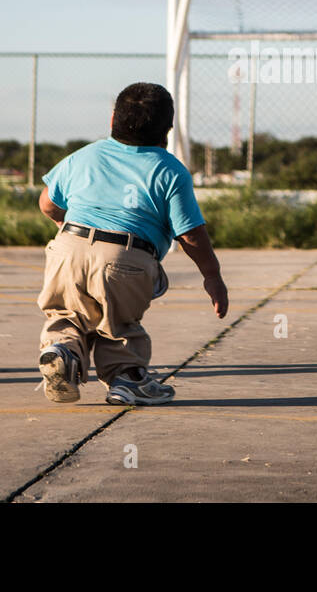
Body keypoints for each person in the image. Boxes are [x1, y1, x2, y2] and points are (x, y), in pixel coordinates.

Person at [36, 82, 228, 406]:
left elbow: (47, 202)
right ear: (167, 132)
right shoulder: (170, 170)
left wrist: (66, 227)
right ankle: (128, 379)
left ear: (113, 120)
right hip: (125, 257)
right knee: (119, 323)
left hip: (67, 248)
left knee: (67, 314)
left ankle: (62, 352)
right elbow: (190, 234)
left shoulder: (85, 156)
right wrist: (212, 276)